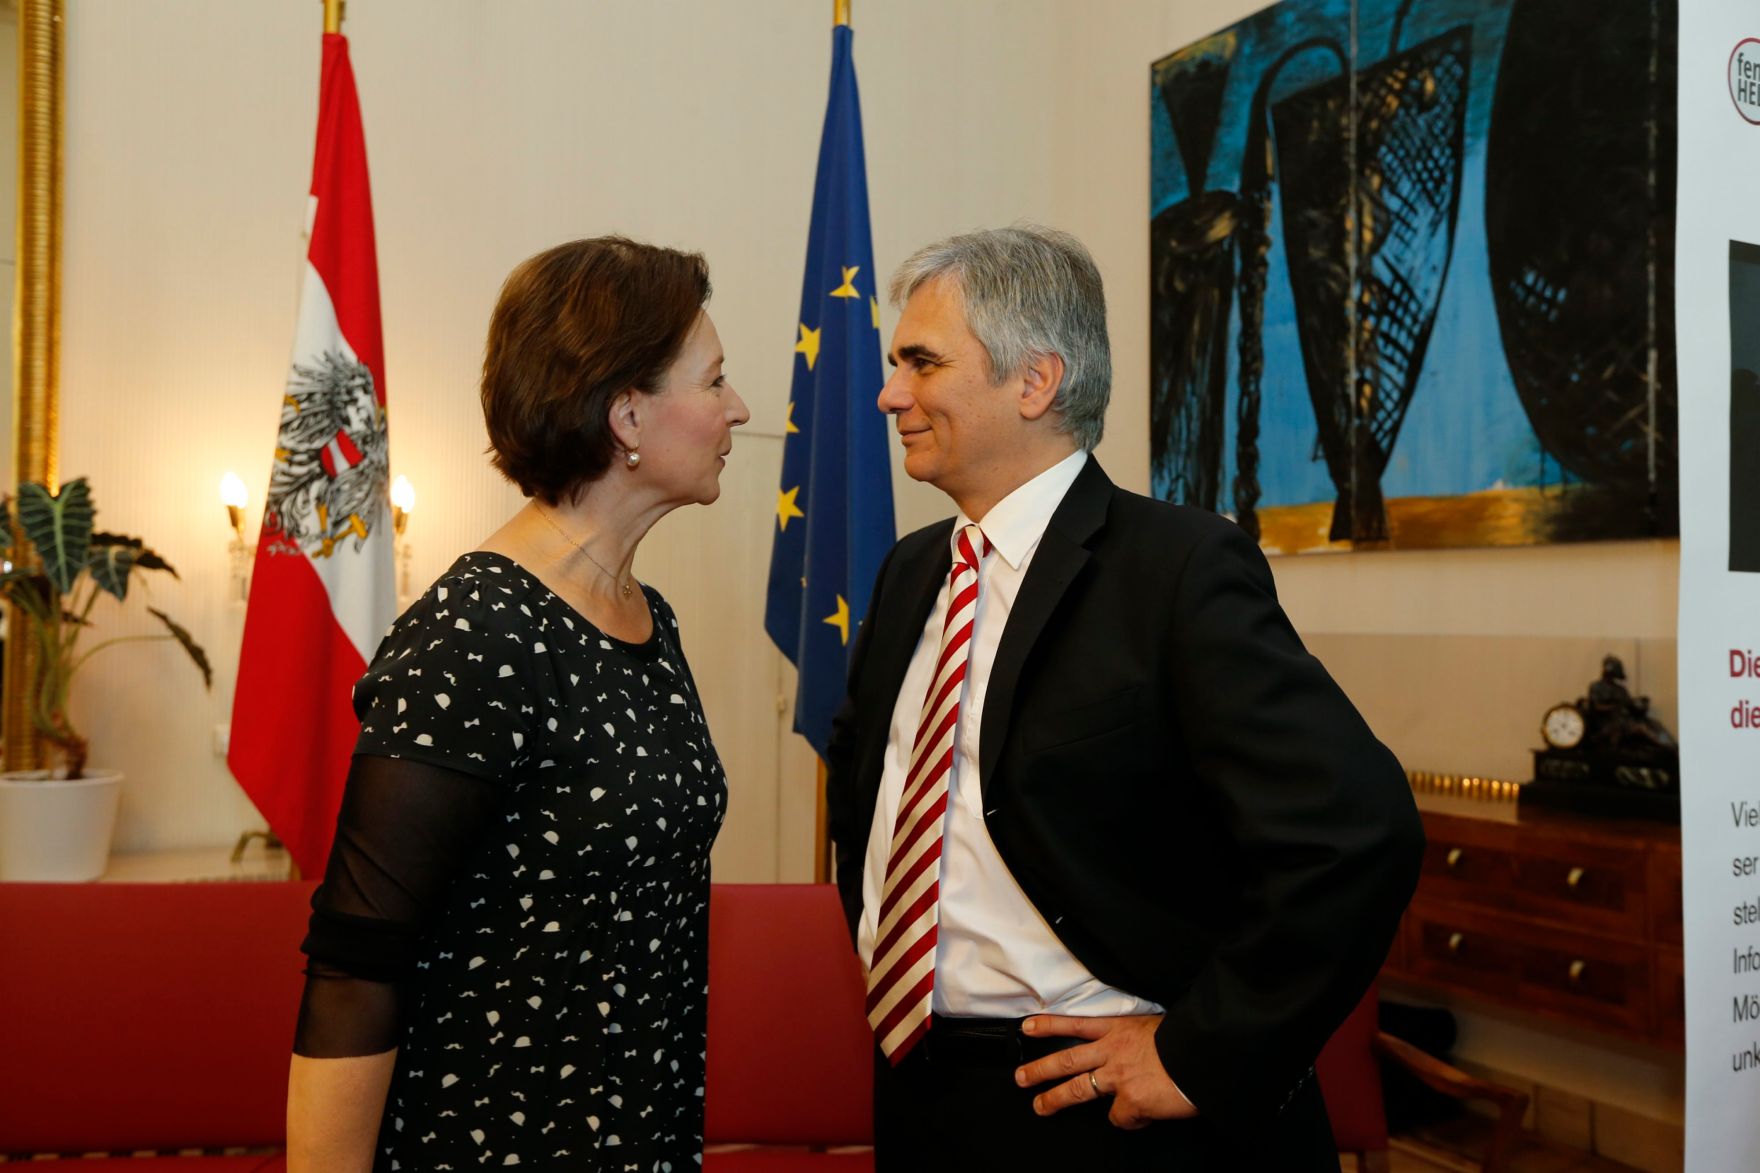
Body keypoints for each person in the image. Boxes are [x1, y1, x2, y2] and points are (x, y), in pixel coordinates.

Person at [825, 225, 1425, 1169]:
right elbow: (869, 788)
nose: (889, 393)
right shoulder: (910, 572)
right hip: (920, 1088)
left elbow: (1357, 833)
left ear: (1035, 380)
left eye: (922, 362)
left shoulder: (1178, 568)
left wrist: (1201, 1054)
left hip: (1107, 1109)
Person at [286, 236, 749, 1171]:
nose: (737, 407)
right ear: (627, 413)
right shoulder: (475, 632)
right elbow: (357, 966)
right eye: (713, 380)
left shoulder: (649, 617)